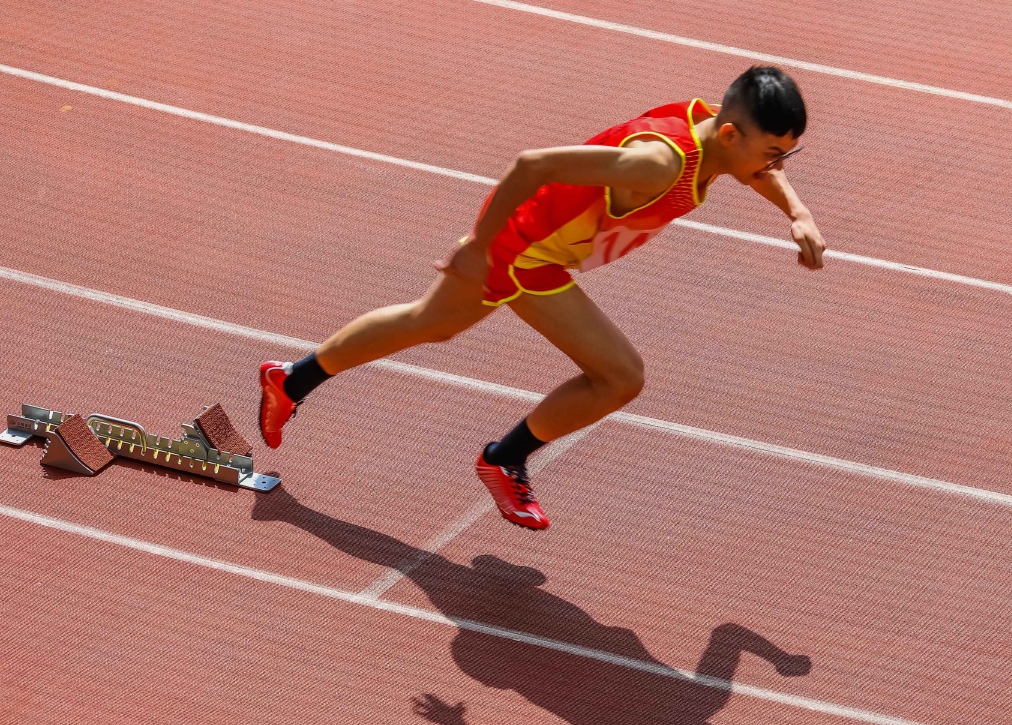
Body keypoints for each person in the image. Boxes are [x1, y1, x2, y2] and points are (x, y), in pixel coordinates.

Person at [258, 65, 825, 530]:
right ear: (732, 135)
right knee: (619, 375)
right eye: (773, 152)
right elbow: (534, 164)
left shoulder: (708, 125)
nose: (775, 167)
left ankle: (291, 380)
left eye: (784, 157)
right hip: (525, 251)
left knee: (428, 322)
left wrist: (796, 211)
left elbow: (750, 171)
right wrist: (482, 248)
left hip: (534, 242)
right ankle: (504, 458)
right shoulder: (660, 163)